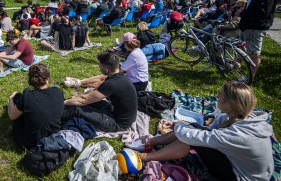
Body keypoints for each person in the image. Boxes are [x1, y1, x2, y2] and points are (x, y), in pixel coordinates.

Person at [137, 82, 274, 181]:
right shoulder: (239, 115)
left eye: (219, 95)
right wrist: (177, 125)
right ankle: (150, 141)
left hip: (243, 177)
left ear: (229, 103)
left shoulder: (240, 134)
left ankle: (146, 157)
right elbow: (207, 130)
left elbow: (197, 136)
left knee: (193, 139)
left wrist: (177, 126)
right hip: (240, 164)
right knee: (193, 130)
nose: (216, 96)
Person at [61, 52, 137, 132]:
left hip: (118, 123)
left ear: (106, 69)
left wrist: (64, 102)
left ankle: (54, 116)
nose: (99, 67)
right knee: (78, 102)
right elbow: (93, 91)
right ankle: (63, 107)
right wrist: (76, 97)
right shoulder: (116, 77)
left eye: (100, 65)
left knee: (77, 110)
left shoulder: (112, 83)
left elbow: (83, 100)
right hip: (113, 110)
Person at [65, 32, 149, 92]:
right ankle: (79, 82)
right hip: (136, 80)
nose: (123, 46)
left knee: (107, 79)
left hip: (137, 84)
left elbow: (120, 70)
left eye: (124, 44)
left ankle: (80, 83)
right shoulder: (136, 51)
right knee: (105, 76)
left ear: (127, 44)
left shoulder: (134, 55)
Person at [7, 64, 64, 148]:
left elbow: (12, 116)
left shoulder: (26, 97)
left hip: (29, 143)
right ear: (47, 79)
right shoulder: (57, 91)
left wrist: (11, 99)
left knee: (17, 97)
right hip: (53, 137)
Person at [239, 0, 277, 80]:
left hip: (256, 27)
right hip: (249, 26)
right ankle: (236, 64)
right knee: (245, 48)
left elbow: (263, 13)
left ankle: (250, 77)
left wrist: (243, 14)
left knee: (254, 53)